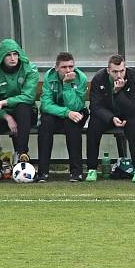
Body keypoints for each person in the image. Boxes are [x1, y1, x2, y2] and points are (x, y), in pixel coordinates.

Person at [86, 55, 135, 183]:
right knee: (93, 125)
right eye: (115, 71)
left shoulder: (133, 78)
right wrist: (111, 118)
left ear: (125, 68)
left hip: (128, 114)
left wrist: (118, 92)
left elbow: (133, 107)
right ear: (108, 70)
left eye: (122, 71)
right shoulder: (99, 78)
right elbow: (95, 106)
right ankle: (91, 169)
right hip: (107, 115)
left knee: (133, 125)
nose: (119, 75)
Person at [0, 38, 39, 182]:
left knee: (22, 108)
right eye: (8, 55)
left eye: (16, 54)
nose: (13, 58)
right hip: (5, 116)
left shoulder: (30, 69)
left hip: (27, 113)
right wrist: (7, 117)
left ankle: (22, 154)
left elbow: (28, 97)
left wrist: (4, 102)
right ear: (2, 56)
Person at [36, 52, 89, 182]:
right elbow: (46, 105)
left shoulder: (81, 78)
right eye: (64, 67)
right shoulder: (49, 76)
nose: (68, 70)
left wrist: (66, 85)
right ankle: (43, 173)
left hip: (76, 111)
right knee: (45, 122)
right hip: (57, 113)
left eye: (71, 66)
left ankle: (76, 172)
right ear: (56, 68)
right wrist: (66, 112)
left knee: (73, 124)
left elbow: (76, 106)